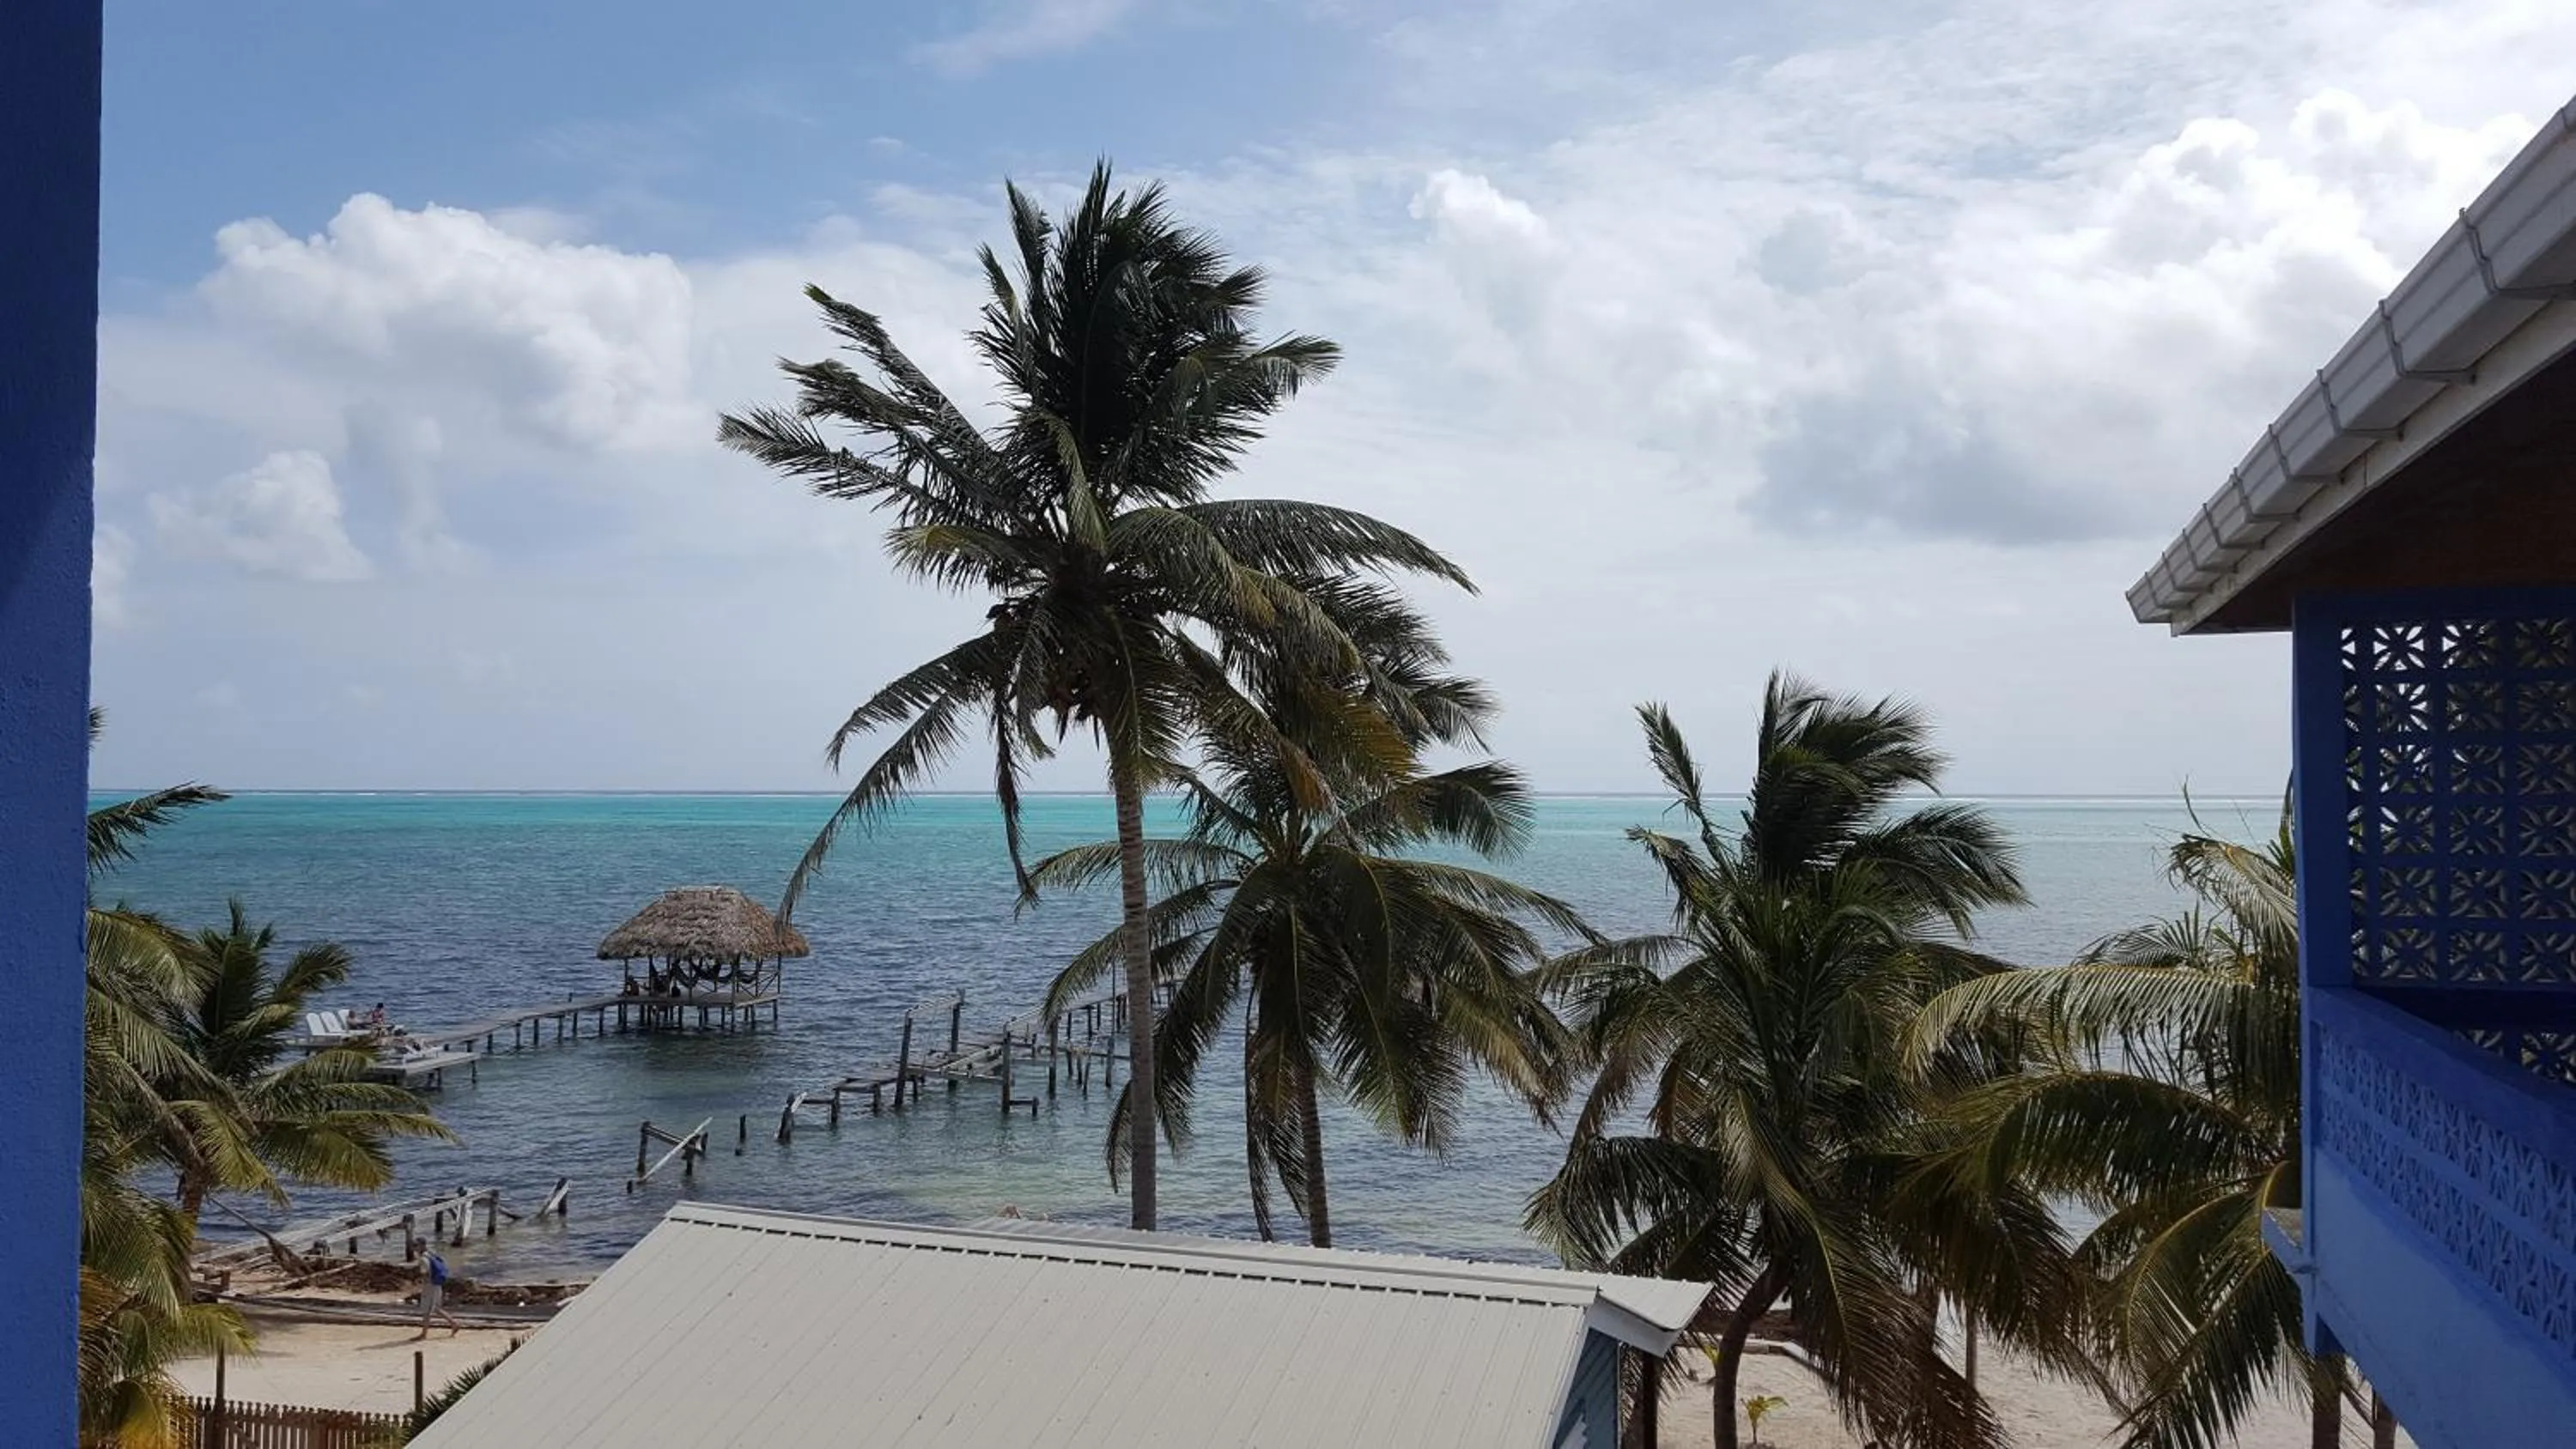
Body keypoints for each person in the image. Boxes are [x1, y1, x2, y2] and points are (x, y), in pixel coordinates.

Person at [415, 1249, 460, 1339]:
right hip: (437, 1284)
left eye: (415, 1246)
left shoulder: (423, 1259)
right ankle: (454, 1324)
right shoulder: (431, 1254)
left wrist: (419, 1280)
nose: (414, 1248)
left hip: (430, 1286)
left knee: (427, 1310)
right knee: (435, 1308)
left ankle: (424, 1334)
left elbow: (425, 1273)